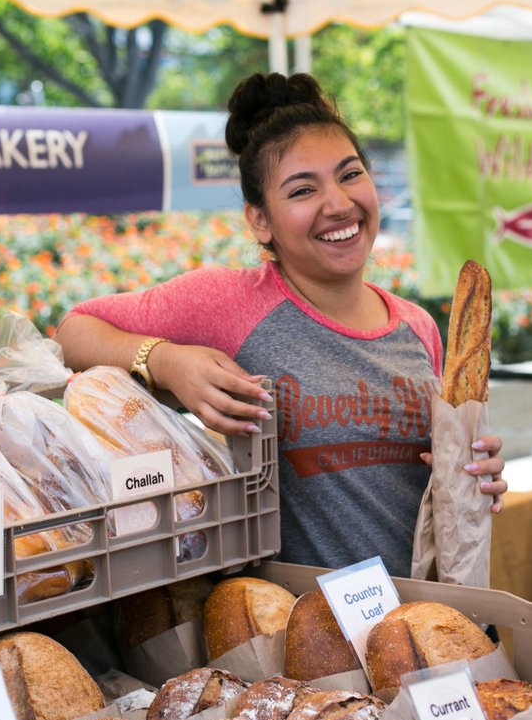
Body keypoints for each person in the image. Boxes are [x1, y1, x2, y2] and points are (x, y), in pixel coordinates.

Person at [54, 71, 506, 578]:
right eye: (302, 190)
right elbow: (74, 330)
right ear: (260, 220)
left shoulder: (416, 326)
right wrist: (166, 361)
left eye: (351, 174)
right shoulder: (230, 302)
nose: (338, 203)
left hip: (428, 614)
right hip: (304, 633)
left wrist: (472, 474)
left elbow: (425, 491)